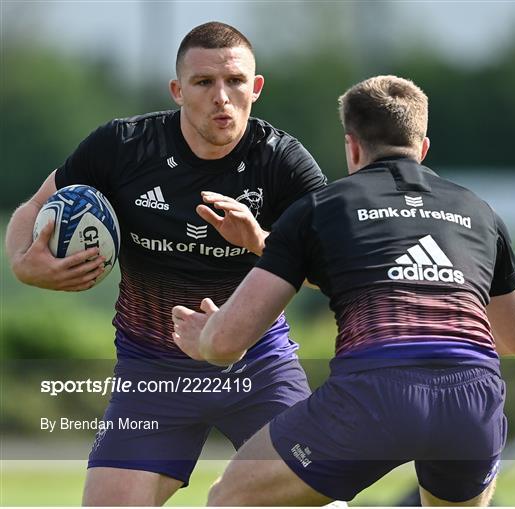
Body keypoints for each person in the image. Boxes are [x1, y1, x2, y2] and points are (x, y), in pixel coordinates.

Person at [172, 75, 515, 506]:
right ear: (422, 149)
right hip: (472, 399)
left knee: (230, 499)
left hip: (374, 392)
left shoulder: (321, 208)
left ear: (353, 147)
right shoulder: (480, 212)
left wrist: (207, 340)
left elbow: (229, 342)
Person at [5, 22, 327, 506]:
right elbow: (33, 209)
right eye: (204, 83)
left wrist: (262, 242)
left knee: (318, 495)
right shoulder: (123, 147)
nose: (222, 96)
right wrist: (22, 264)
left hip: (257, 365)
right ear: (178, 90)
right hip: (151, 371)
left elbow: (331, 275)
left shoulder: (284, 163)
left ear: (255, 88)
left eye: (235, 81)